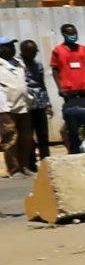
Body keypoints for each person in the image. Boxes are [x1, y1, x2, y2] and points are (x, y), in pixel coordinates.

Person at [50, 24, 85, 155]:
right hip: (69, 89)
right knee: (72, 119)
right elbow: (55, 69)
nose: (73, 35)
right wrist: (60, 87)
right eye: (70, 33)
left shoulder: (83, 49)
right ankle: (73, 147)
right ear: (63, 34)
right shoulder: (58, 51)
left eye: (75, 33)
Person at [20, 37, 54, 161]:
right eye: (31, 52)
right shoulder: (18, 65)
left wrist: (48, 103)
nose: (34, 54)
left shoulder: (38, 65)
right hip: (25, 106)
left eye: (35, 51)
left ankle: (46, 160)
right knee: (28, 136)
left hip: (39, 104)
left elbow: (42, 84)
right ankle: (30, 163)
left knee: (43, 135)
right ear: (24, 52)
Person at [0, 42, 29, 175]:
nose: (12, 49)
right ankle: (14, 168)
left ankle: (25, 166)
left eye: (12, 46)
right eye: (8, 46)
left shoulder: (19, 63)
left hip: (22, 105)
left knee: (25, 137)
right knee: (11, 137)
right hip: (6, 107)